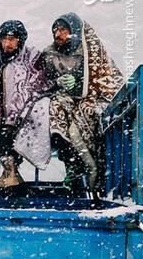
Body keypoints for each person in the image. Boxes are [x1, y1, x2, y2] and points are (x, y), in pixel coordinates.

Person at [41, 12, 123, 194]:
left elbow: (108, 80)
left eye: (63, 30)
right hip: (65, 97)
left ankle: (96, 171)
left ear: (75, 31)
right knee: (54, 109)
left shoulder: (92, 51)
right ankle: (72, 164)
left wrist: (79, 82)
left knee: (88, 113)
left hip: (91, 97)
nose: (57, 34)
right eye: (55, 30)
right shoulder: (49, 54)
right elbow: (42, 82)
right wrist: (57, 83)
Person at [0, 20, 52, 187]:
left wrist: (18, 106)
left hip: (24, 103)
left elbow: (38, 83)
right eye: (4, 38)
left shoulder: (30, 56)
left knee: (17, 123)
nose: (7, 43)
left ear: (20, 40)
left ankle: (12, 170)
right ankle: (9, 169)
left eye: (12, 39)